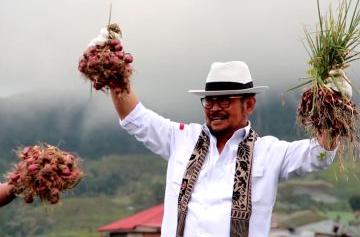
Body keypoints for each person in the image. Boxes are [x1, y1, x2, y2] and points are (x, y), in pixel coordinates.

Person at [110, 61, 337, 237]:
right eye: (209, 101)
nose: (214, 109)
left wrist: (334, 104)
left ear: (249, 104)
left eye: (225, 101)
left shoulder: (270, 152)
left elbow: (319, 154)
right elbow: (134, 117)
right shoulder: (181, 139)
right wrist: (112, 71)